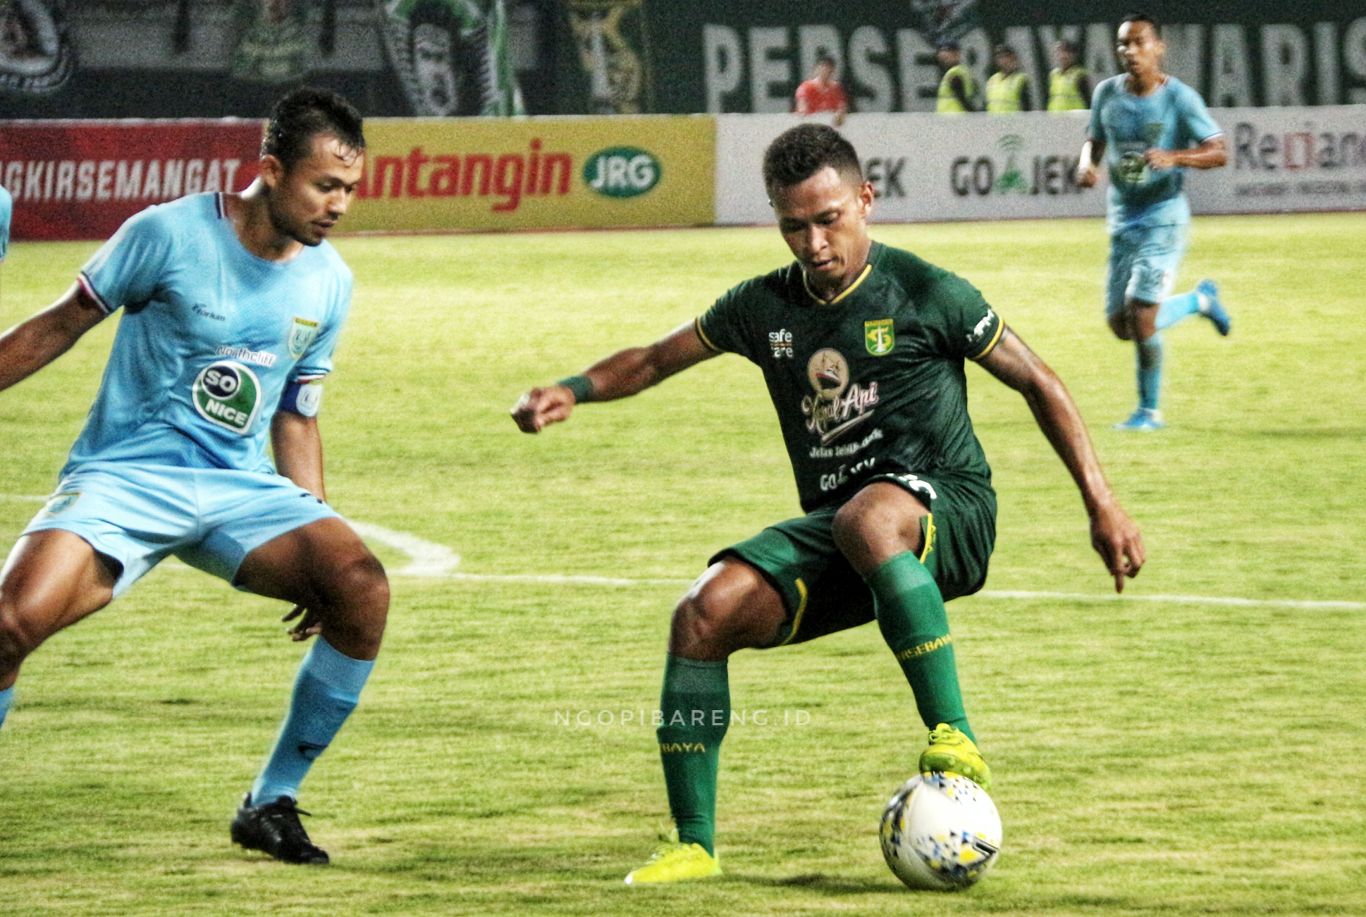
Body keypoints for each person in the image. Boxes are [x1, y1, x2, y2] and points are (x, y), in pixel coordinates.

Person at [512, 123, 1145, 884]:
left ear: (866, 202)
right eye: (793, 225)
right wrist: (571, 389)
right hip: (851, 529)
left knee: (867, 515)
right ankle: (694, 844)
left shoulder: (926, 291)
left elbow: (1040, 381)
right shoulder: (763, 307)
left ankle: (955, 733)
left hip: (951, 508)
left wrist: (1101, 504)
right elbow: (653, 357)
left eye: (829, 218)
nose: (813, 242)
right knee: (703, 611)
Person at [0, 87, 387, 866]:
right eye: (324, 185)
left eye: (350, 188)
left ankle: (271, 800)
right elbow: (58, 325)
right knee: (9, 625)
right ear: (271, 170)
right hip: (125, 477)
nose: (339, 205)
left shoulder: (329, 280)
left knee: (360, 585)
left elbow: (296, 413)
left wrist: (312, 528)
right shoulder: (166, 233)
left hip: (236, 491)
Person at [1076, 13, 1231, 431]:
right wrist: (1086, 165)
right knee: (1121, 326)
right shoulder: (1107, 93)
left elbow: (1219, 151)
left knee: (1142, 316)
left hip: (1164, 218)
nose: (1130, 51)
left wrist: (1175, 157)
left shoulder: (1179, 98)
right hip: (1123, 219)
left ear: (1158, 47)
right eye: (1123, 44)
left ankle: (1149, 412)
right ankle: (1201, 301)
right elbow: (1095, 138)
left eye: (1139, 42)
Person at [794, 54, 849, 126]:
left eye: (829, 70)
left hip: (830, 127)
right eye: (823, 68)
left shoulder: (836, 88)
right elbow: (802, 106)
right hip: (812, 125)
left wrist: (840, 113)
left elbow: (842, 106)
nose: (826, 72)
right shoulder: (806, 87)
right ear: (817, 69)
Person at [985, 44, 1031, 113]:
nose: (1003, 61)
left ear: (1013, 58)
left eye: (1006, 57)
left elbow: (1027, 108)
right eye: (1000, 57)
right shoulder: (992, 79)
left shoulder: (1020, 79)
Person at [1047, 39, 1090, 112]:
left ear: (1073, 55)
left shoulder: (1079, 75)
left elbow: (1087, 99)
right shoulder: (1053, 75)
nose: (1062, 56)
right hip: (1055, 118)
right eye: (1059, 52)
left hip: (1074, 119)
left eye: (1066, 52)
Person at [935, 40, 978, 113]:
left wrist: (975, 117)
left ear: (957, 54)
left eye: (947, 52)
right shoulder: (961, 71)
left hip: (954, 119)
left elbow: (963, 100)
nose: (943, 55)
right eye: (941, 52)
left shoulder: (954, 74)